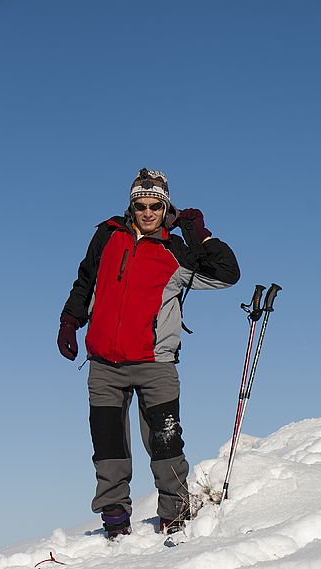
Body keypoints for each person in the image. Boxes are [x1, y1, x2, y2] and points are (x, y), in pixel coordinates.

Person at [57, 168, 240, 539]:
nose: (147, 212)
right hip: (104, 363)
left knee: (166, 442)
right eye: (140, 205)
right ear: (131, 205)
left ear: (165, 205)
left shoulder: (176, 250)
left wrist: (199, 234)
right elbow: (85, 279)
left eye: (155, 205)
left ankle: (174, 518)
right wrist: (70, 320)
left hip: (155, 363)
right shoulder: (108, 235)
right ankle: (115, 523)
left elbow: (226, 273)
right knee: (107, 446)